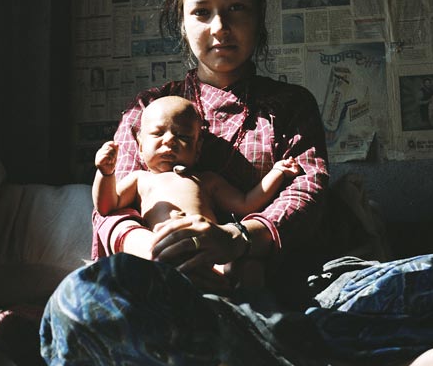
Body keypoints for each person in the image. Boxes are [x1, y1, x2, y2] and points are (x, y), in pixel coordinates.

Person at [40, 0, 433, 366]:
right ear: (182, 22)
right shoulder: (147, 109)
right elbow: (111, 211)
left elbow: (307, 192)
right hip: (178, 293)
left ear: (259, 16)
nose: (220, 27)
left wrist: (237, 239)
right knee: (76, 306)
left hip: (299, 289)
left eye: (236, 9)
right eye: (202, 12)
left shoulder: (290, 105)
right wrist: (160, 248)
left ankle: (238, 362)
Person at [93, 95, 300, 284]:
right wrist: (105, 174)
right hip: (161, 253)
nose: (169, 141)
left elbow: (247, 203)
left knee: (250, 269)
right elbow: (106, 206)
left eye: (183, 136)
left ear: (198, 148)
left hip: (208, 254)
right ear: (139, 146)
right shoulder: (140, 179)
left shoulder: (206, 180)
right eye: (157, 133)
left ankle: (239, 301)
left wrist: (277, 173)